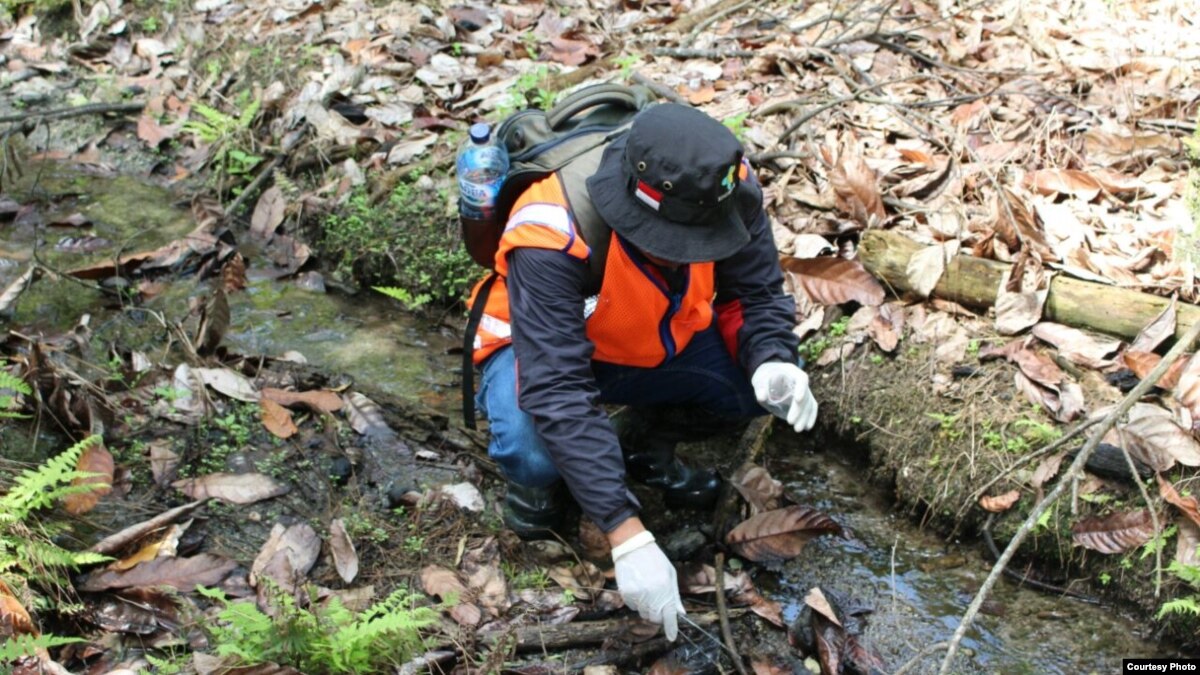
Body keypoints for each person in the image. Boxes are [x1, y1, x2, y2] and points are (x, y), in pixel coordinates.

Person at [465, 103, 818, 641]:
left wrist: (773, 358)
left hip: (646, 335)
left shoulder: (726, 185)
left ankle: (640, 444)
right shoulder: (550, 229)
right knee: (532, 450)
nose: (688, 255)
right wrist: (625, 534)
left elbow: (755, 292)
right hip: (535, 348)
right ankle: (536, 489)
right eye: (675, 244)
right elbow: (557, 386)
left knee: (759, 387)